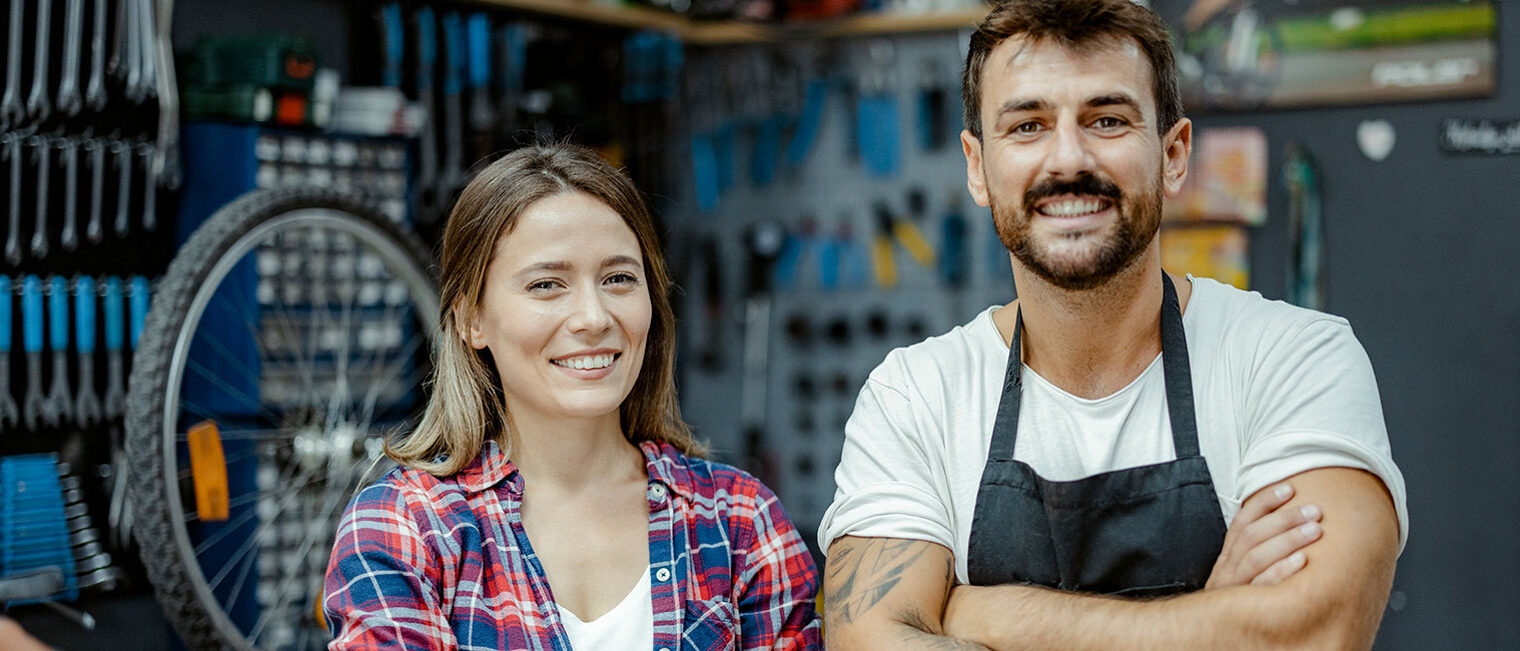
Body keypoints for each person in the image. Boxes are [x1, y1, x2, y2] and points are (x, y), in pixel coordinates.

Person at [818, 1, 1406, 649]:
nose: (1068, 159)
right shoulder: (916, 396)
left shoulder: (1293, 360)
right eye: (1027, 126)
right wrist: (1214, 617)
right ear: (977, 168)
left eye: (1107, 119)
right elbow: (871, 638)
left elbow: (1312, 633)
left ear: (1174, 154)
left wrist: (992, 615)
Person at [323, 143, 821, 650]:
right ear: (472, 318)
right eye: (546, 284)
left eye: (619, 279)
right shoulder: (405, 528)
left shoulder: (740, 520)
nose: (594, 317)